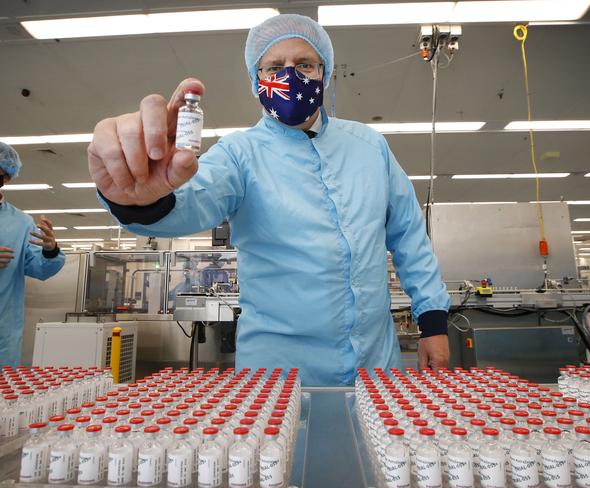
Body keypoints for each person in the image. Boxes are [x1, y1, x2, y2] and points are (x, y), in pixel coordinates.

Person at [87, 14, 451, 385]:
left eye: (305, 64)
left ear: (324, 74)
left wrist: (433, 321)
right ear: (256, 80)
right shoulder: (239, 155)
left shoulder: (369, 147)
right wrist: (140, 200)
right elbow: (190, 200)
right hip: (278, 374)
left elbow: (408, 236)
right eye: (275, 67)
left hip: (375, 363)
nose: (292, 76)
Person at [0, 142, 65, 367]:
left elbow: (38, 267)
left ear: (6, 177)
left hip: (3, 330)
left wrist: (50, 250)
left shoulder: (20, 222)